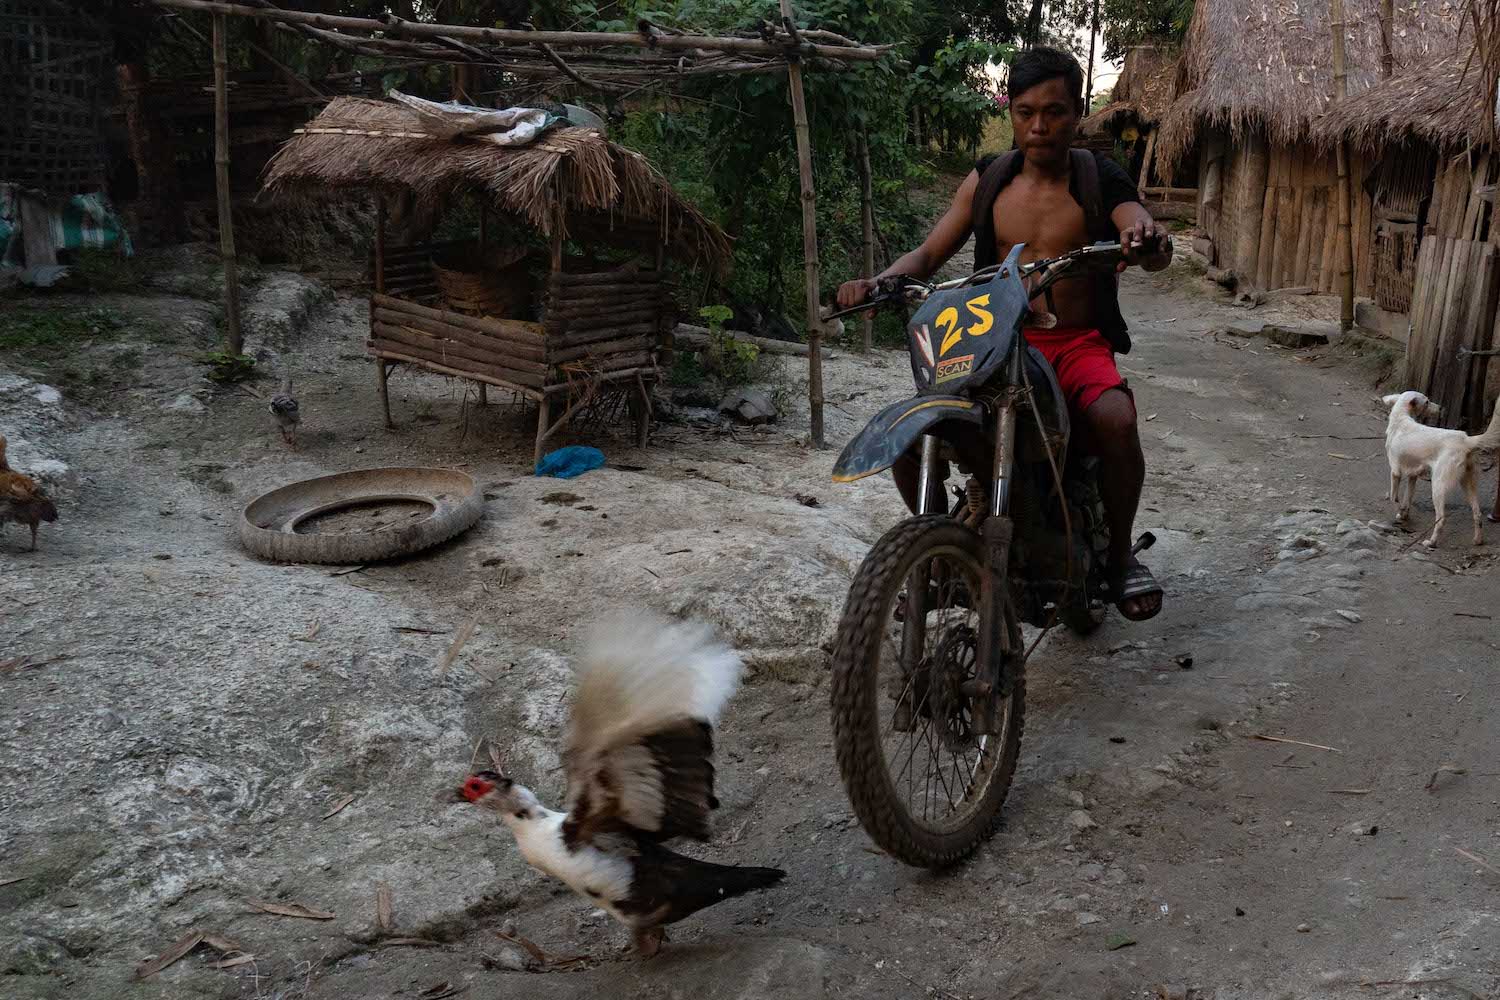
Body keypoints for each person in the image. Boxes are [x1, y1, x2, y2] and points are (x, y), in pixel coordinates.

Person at [836, 46, 1172, 621]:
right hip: (992, 342)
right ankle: (940, 548)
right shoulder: (988, 178)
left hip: (1073, 344)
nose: (1039, 126)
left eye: (1054, 111)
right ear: (1010, 112)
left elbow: (1135, 226)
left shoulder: (1099, 176)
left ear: (1077, 111)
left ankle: (1119, 558)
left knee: (1116, 420)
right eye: (1024, 112)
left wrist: (1145, 237)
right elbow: (928, 252)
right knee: (912, 431)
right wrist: (879, 282)